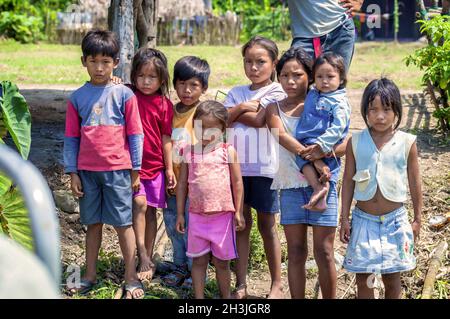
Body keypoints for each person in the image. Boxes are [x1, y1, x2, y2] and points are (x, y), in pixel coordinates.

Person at [63, 29, 145, 299]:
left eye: (106, 62)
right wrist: (72, 171)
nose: (99, 68)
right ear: (83, 61)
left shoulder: (124, 95)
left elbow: (135, 134)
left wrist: (136, 169)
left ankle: (131, 277)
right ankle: (89, 275)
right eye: (93, 61)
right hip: (87, 173)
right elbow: (72, 138)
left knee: (124, 225)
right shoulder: (76, 98)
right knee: (93, 224)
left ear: (116, 63)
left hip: (118, 171)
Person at [266, 46, 347, 299]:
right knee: (297, 251)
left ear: (310, 76)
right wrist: (311, 156)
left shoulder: (326, 103)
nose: (291, 81)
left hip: (326, 182)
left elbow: (345, 142)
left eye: (298, 75)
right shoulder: (273, 108)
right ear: (277, 78)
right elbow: (281, 136)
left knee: (324, 251)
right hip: (290, 185)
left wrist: (321, 157)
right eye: (285, 76)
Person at [340, 78, 422, 299]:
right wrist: (345, 218)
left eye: (386, 109)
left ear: (396, 111)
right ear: (365, 110)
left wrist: (417, 219)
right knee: (364, 278)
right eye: (373, 109)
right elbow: (347, 180)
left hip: (395, 221)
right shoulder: (355, 142)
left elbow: (415, 181)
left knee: (392, 279)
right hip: (363, 220)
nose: (380, 116)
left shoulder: (407, 142)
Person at [224, 35, 286, 299]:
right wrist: (239, 108)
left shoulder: (277, 91)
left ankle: (276, 283)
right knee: (242, 224)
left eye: (261, 61)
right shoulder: (236, 93)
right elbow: (222, 120)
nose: (254, 67)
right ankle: (241, 283)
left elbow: (262, 120)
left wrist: (237, 115)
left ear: (274, 64)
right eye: (248, 61)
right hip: (236, 170)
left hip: (266, 169)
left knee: (267, 226)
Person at [175, 100, 245, 299]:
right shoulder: (188, 151)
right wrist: (180, 213)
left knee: (222, 263)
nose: (205, 134)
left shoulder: (227, 151)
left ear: (223, 128)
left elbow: (237, 183)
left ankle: (226, 297)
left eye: (212, 129)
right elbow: (182, 184)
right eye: (201, 127)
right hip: (196, 216)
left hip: (222, 218)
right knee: (198, 262)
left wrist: (238, 212)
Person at [162, 56, 211, 289]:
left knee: (194, 228)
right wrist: (168, 171)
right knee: (173, 224)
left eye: (193, 85)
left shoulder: (204, 114)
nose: (187, 90)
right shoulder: (169, 112)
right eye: (181, 84)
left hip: (194, 184)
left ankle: (196, 270)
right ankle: (179, 265)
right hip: (172, 181)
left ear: (204, 88)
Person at [128, 47, 175, 281]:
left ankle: (145, 256)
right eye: (141, 76)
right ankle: (143, 254)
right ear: (133, 75)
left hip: (155, 166)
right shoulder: (128, 96)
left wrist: (168, 169)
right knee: (139, 205)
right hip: (133, 166)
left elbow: (167, 138)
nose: (146, 82)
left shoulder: (165, 105)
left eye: (152, 77)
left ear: (162, 79)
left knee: (151, 212)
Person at [294, 52, 351, 211]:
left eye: (330, 76)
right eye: (319, 76)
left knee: (322, 169)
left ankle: (322, 190)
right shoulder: (313, 93)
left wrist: (321, 145)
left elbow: (339, 127)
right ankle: (319, 192)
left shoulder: (339, 102)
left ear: (341, 79)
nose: (324, 81)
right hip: (306, 142)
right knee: (302, 160)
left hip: (324, 143)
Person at [286, 0, 364, 72]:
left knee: (335, 82)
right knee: (296, 80)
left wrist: (359, 2)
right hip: (304, 34)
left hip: (340, 27)